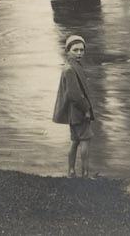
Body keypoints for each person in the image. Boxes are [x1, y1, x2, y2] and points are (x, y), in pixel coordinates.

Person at [51, 33, 95, 177]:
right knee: (85, 141)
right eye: (75, 50)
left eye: (82, 50)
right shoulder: (70, 69)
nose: (79, 53)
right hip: (78, 112)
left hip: (72, 113)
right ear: (68, 50)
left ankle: (71, 171)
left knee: (75, 141)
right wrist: (86, 109)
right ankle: (85, 173)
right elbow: (74, 94)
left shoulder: (72, 66)